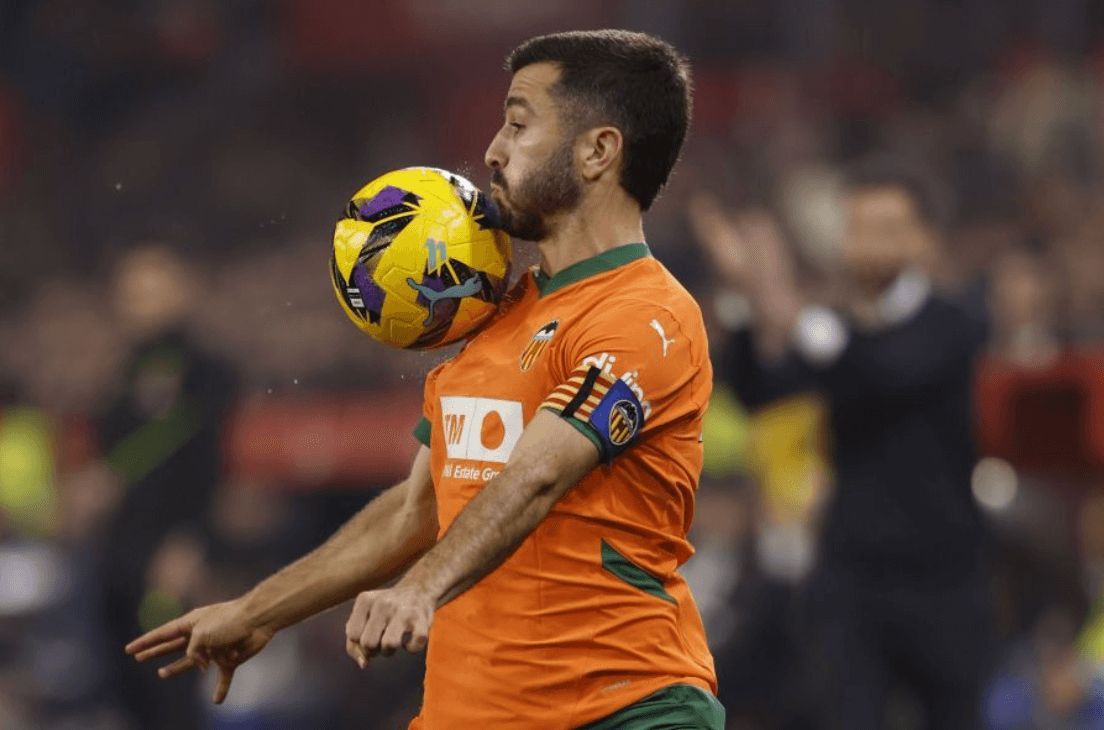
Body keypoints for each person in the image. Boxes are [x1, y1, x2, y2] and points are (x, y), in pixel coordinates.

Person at [127, 30, 724, 729]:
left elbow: (536, 477)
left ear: (599, 151)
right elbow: (415, 512)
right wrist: (259, 612)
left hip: (625, 707)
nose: (493, 150)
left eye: (518, 124)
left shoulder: (647, 316)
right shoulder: (488, 318)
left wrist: (420, 589)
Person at [690, 159, 993, 729]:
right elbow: (760, 391)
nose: (867, 243)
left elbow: (885, 372)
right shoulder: (838, 332)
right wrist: (744, 296)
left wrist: (785, 306)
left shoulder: (952, 324)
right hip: (853, 576)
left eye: (886, 228)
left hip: (943, 578)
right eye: (857, 228)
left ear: (923, 239)